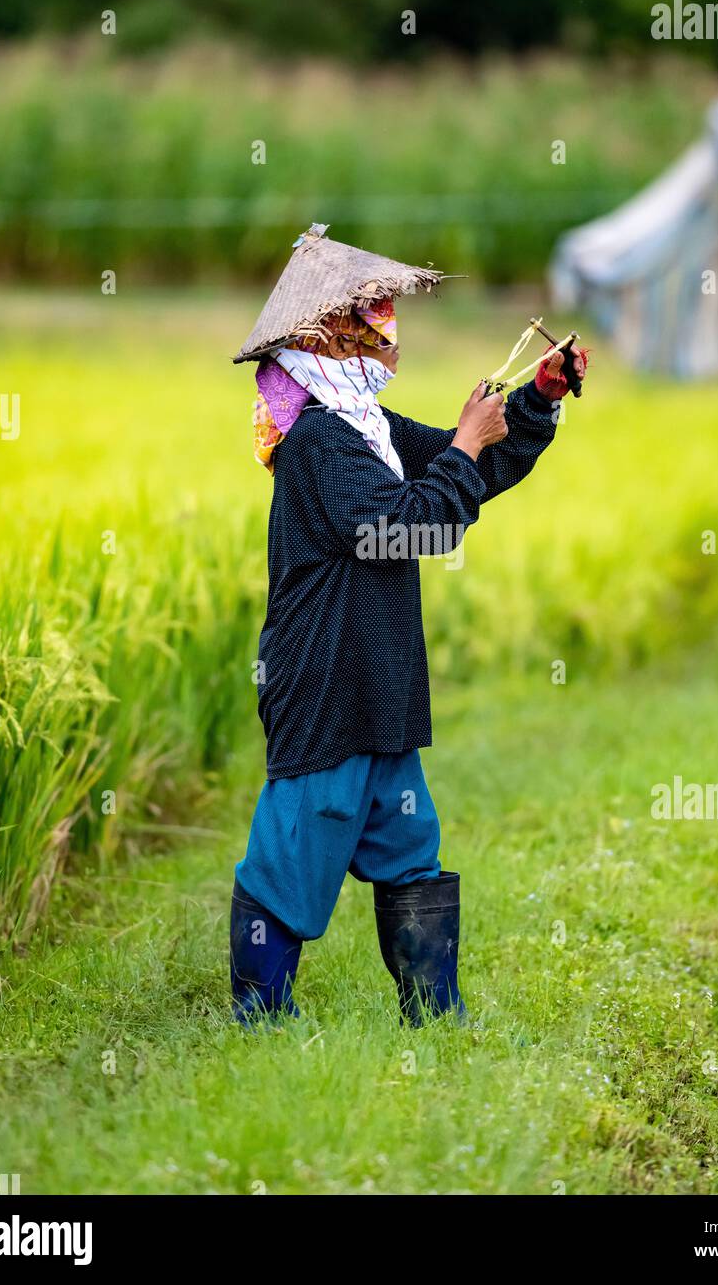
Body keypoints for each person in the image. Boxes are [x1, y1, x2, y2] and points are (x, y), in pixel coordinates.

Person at [229, 226, 582, 1026]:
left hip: (381, 690)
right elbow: (410, 526)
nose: (389, 330)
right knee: (291, 861)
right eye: (371, 317)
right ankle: (258, 1026)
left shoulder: (369, 427)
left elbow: (472, 471)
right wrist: (461, 443)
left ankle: (437, 1017)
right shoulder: (320, 439)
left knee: (409, 852)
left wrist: (536, 403)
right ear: (328, 333)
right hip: (325, 691)